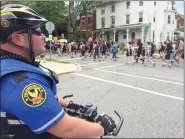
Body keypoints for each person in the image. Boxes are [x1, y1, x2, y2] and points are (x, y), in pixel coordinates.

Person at [0, 4, 116, 139]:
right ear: (17, 39)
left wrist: (73, 106)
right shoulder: (22, 82)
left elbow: (46, 97)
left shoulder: (13, 66)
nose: (44, 35)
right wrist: (102, 128)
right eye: (37, 30)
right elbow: (67, 129)